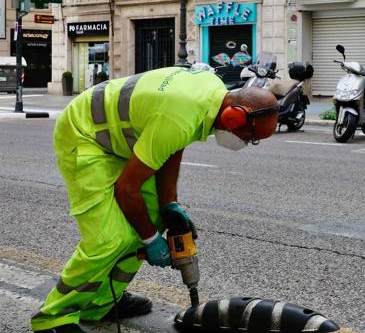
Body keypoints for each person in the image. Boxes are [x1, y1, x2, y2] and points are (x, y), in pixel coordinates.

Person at [31, 66, 278, 332]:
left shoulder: (212, 94)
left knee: (150, 220)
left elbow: (173, 147)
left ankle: (101, 302)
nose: (248, 142)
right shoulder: (180, 115)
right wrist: (150, 240)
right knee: (109, 239)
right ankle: (54, 317)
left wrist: (168, 204)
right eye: (250, 137)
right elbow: (127, 190)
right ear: (233, 117)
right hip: (85, 134)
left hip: (122, 140)